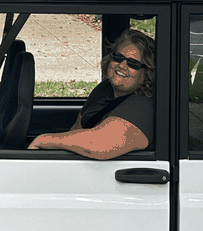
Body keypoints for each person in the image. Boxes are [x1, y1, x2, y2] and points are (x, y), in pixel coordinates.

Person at [28, 29, 155, 159]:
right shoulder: (105, 89)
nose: (122, 65)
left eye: (133, 63)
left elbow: (101, 143)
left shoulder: (144, 106)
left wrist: (43, 140)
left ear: (147, 73)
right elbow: (77, 130)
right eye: (118, 57)